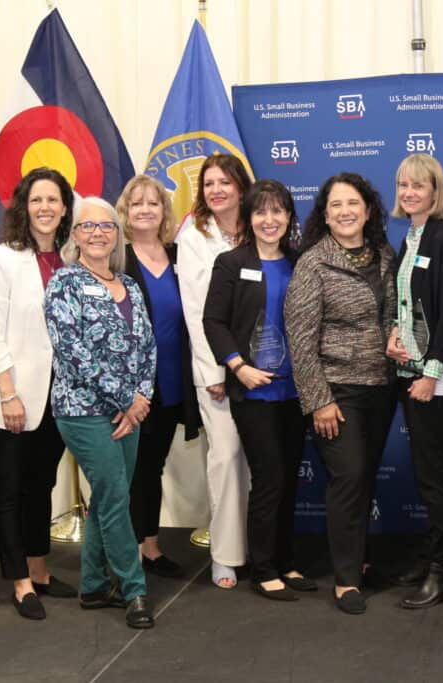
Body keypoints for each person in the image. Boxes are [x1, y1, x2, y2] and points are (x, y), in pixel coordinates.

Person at [284, 172, 397, 615]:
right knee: (348, 477)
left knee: (364, 476)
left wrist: (393, 336)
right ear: (325, 216)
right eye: (336, 205)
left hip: (381, 387)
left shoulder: (384, 256)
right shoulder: (313, 264)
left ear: (368, 211)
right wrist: (319, 400)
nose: (346, 212)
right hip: (338, 391)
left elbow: (391, 313)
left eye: (353, 203)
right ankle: (346, 580)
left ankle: (361, 559)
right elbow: (300, 338)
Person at [44, 196, 156, 629]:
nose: (97, 233)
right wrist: (125, 399)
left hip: (131, 411)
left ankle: (92, 586)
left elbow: (148, 348)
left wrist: (140, 398)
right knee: (114, 499)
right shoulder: (64, 284)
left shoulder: (128, 285)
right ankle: (135, 589)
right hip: (84, 411)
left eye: (106, 225)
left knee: (109, 498)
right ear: (74, 234)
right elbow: (73, 354)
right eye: (87, 226)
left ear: (117, 234)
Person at [203, 179, 314, 602]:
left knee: (287, 479)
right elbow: (213, 321)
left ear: (289, 217)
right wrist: (238, 367)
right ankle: (263, 568)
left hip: (295, 392)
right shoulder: (231, 263)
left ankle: (285, 561)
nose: (270, 220)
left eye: (278, 211)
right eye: (261, 212)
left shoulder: (300, 262)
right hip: (253, 393)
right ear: (249, 219)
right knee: (268, 478)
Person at [0, 168, 79, 620]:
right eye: (37, 200)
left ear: (64, 208)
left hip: (60, 397)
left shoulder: (71, 259)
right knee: (13, 488)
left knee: (44, 484)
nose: (45, 208)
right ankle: (19, 581)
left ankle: (39, 571)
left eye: (53, 200)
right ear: (24, 206)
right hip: (14, 396)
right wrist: (7, 393)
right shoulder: (1, 258)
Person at [384, 154, 443, 609]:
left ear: (437, 191)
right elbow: (409, 305)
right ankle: (434, 553)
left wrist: (430, 374)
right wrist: (395, 338)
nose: (409, 193)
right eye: (403, 185)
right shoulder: (412, 235)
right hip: (409, 369)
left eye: (419, 185)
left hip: (431, 378)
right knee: (426, 471)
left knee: (435, 477)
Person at [118, 175, 201, 579]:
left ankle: (150, 547)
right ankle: (128, 552)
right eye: (137, 204)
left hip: (171, 381)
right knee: (131, 471)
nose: (145, 210)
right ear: (125, 212)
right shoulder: (117, 258)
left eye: (153, 203)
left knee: (153, 466)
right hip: (133, 386)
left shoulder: (178, 253)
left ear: (164, 212)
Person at [176, 154, 253, 589]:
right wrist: (214, 370)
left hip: (263, 366)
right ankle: (225, 554)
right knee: (224, 458)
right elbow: (193, 308)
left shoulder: (262, 223)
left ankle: (262, 549)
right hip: (217, 370)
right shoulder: (193, 235)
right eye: (209, 184)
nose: (217, 190)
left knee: (263, 462)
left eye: (225, 182)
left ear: (241, 186)